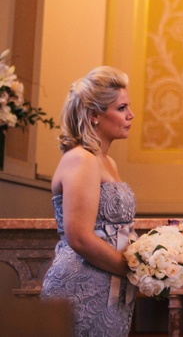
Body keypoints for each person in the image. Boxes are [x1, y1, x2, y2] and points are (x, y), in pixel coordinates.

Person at [40, 67, 137, 337]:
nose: (131, 115)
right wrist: (135, 269)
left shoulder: (108, 161)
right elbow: (80, 237)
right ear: (94, 115)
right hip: (81, 286)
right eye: (122, 108)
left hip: (109, 285)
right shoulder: (80, 158)